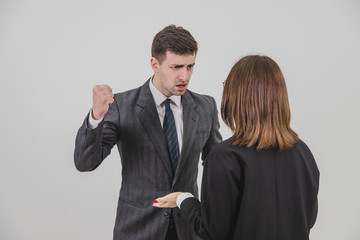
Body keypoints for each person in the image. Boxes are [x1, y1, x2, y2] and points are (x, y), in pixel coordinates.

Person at [74, 25, 222, 240]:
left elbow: (215, 164)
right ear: (155, 64)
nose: (185, 75)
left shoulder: (206, 106)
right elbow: (85, 162)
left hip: (188, 229)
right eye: (176, 67)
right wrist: (96, 116)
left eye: (190, 66)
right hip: (138, 229)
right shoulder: (121, 105)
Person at [153, 55, 320, 240]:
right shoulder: (302, 153)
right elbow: (308, 219)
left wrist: (183, 199)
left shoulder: (224, 157)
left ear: (237, 95)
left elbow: (212, 231)